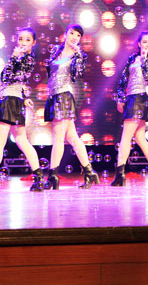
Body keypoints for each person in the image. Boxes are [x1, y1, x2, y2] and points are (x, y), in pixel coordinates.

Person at [0, 27, 43, 193]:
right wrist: (25, 96)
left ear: (33, 42)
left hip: (9, 100)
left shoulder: (27, 59)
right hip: (13, 100)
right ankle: (38, 178)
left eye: (27, 40)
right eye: (20, 39)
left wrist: (14, 58)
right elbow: (13, 80)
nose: (23, 42)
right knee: (18, 141)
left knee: (6, 141)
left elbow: (9, 78)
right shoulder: (20, 58)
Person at [44, 24, 99, 189]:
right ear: (66, 34)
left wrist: (79, 55)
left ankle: (53, 176)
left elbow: (78, 75)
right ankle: (90, 172)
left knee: (58, 137)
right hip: (54, 96)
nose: (74, 37)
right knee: (73, 138)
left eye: (78, 35)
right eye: (72, 33)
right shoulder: (57, 51)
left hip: (64, 97)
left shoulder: (78, 56)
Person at [111, 30, 148, 186]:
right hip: (130, 98)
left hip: (139, 98)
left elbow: (146, 75)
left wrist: (145, 58)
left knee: (126, 137)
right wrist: (120, 99)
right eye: (144, 42)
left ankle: (120, 175)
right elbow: (123, 80)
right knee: (140, 138)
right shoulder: (132, 58)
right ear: (139, 44)